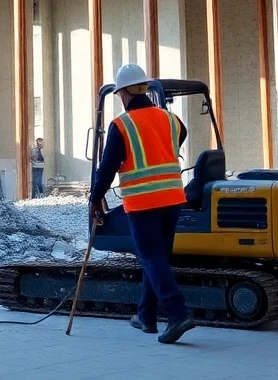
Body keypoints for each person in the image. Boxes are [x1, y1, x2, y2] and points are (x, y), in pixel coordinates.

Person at [89, 64, 196, 344]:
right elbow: (177, 140)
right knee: (157, 257)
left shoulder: (122, 125)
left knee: (150, 257)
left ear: (123, 92)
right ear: (145, 88)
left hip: (143, 202)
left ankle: (177, 312)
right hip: (173, 199)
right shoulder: (172, 120)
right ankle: (146, 316)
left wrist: (94, 199)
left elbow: (107, 168)